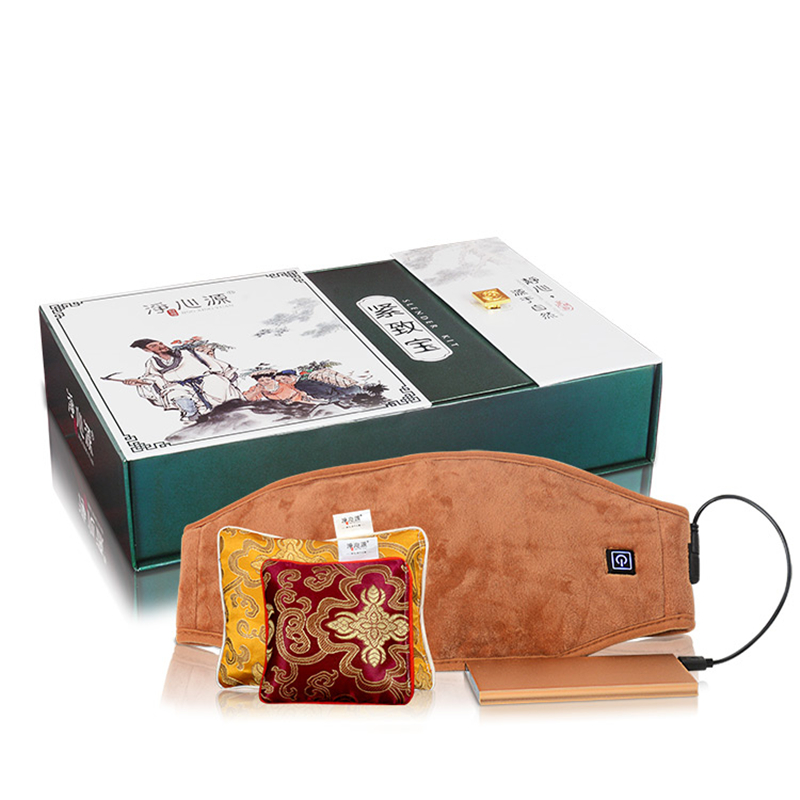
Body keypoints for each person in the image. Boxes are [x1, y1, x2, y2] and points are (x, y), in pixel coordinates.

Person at [126, 339, 243, 422]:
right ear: (147, 350)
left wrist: (223, 373)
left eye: (160, 343)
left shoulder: (188, 353)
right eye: (154, 346)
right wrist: (139, 382)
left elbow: (212, 363)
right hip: (181, 387)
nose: (160, 346)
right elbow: (153, 378)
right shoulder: (152, 363)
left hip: (205, 379)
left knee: (216, 383)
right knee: (174, 393)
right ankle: (192, 414)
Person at [244, 369, 317, 405]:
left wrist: (303, 394)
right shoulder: (259, 389)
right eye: (261, 380)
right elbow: (246, 398)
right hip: (284, 408)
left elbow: (298, 389)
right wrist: (256, 391)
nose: (265, 382)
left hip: (300, 402)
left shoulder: (283, 383)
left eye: (268, 379)